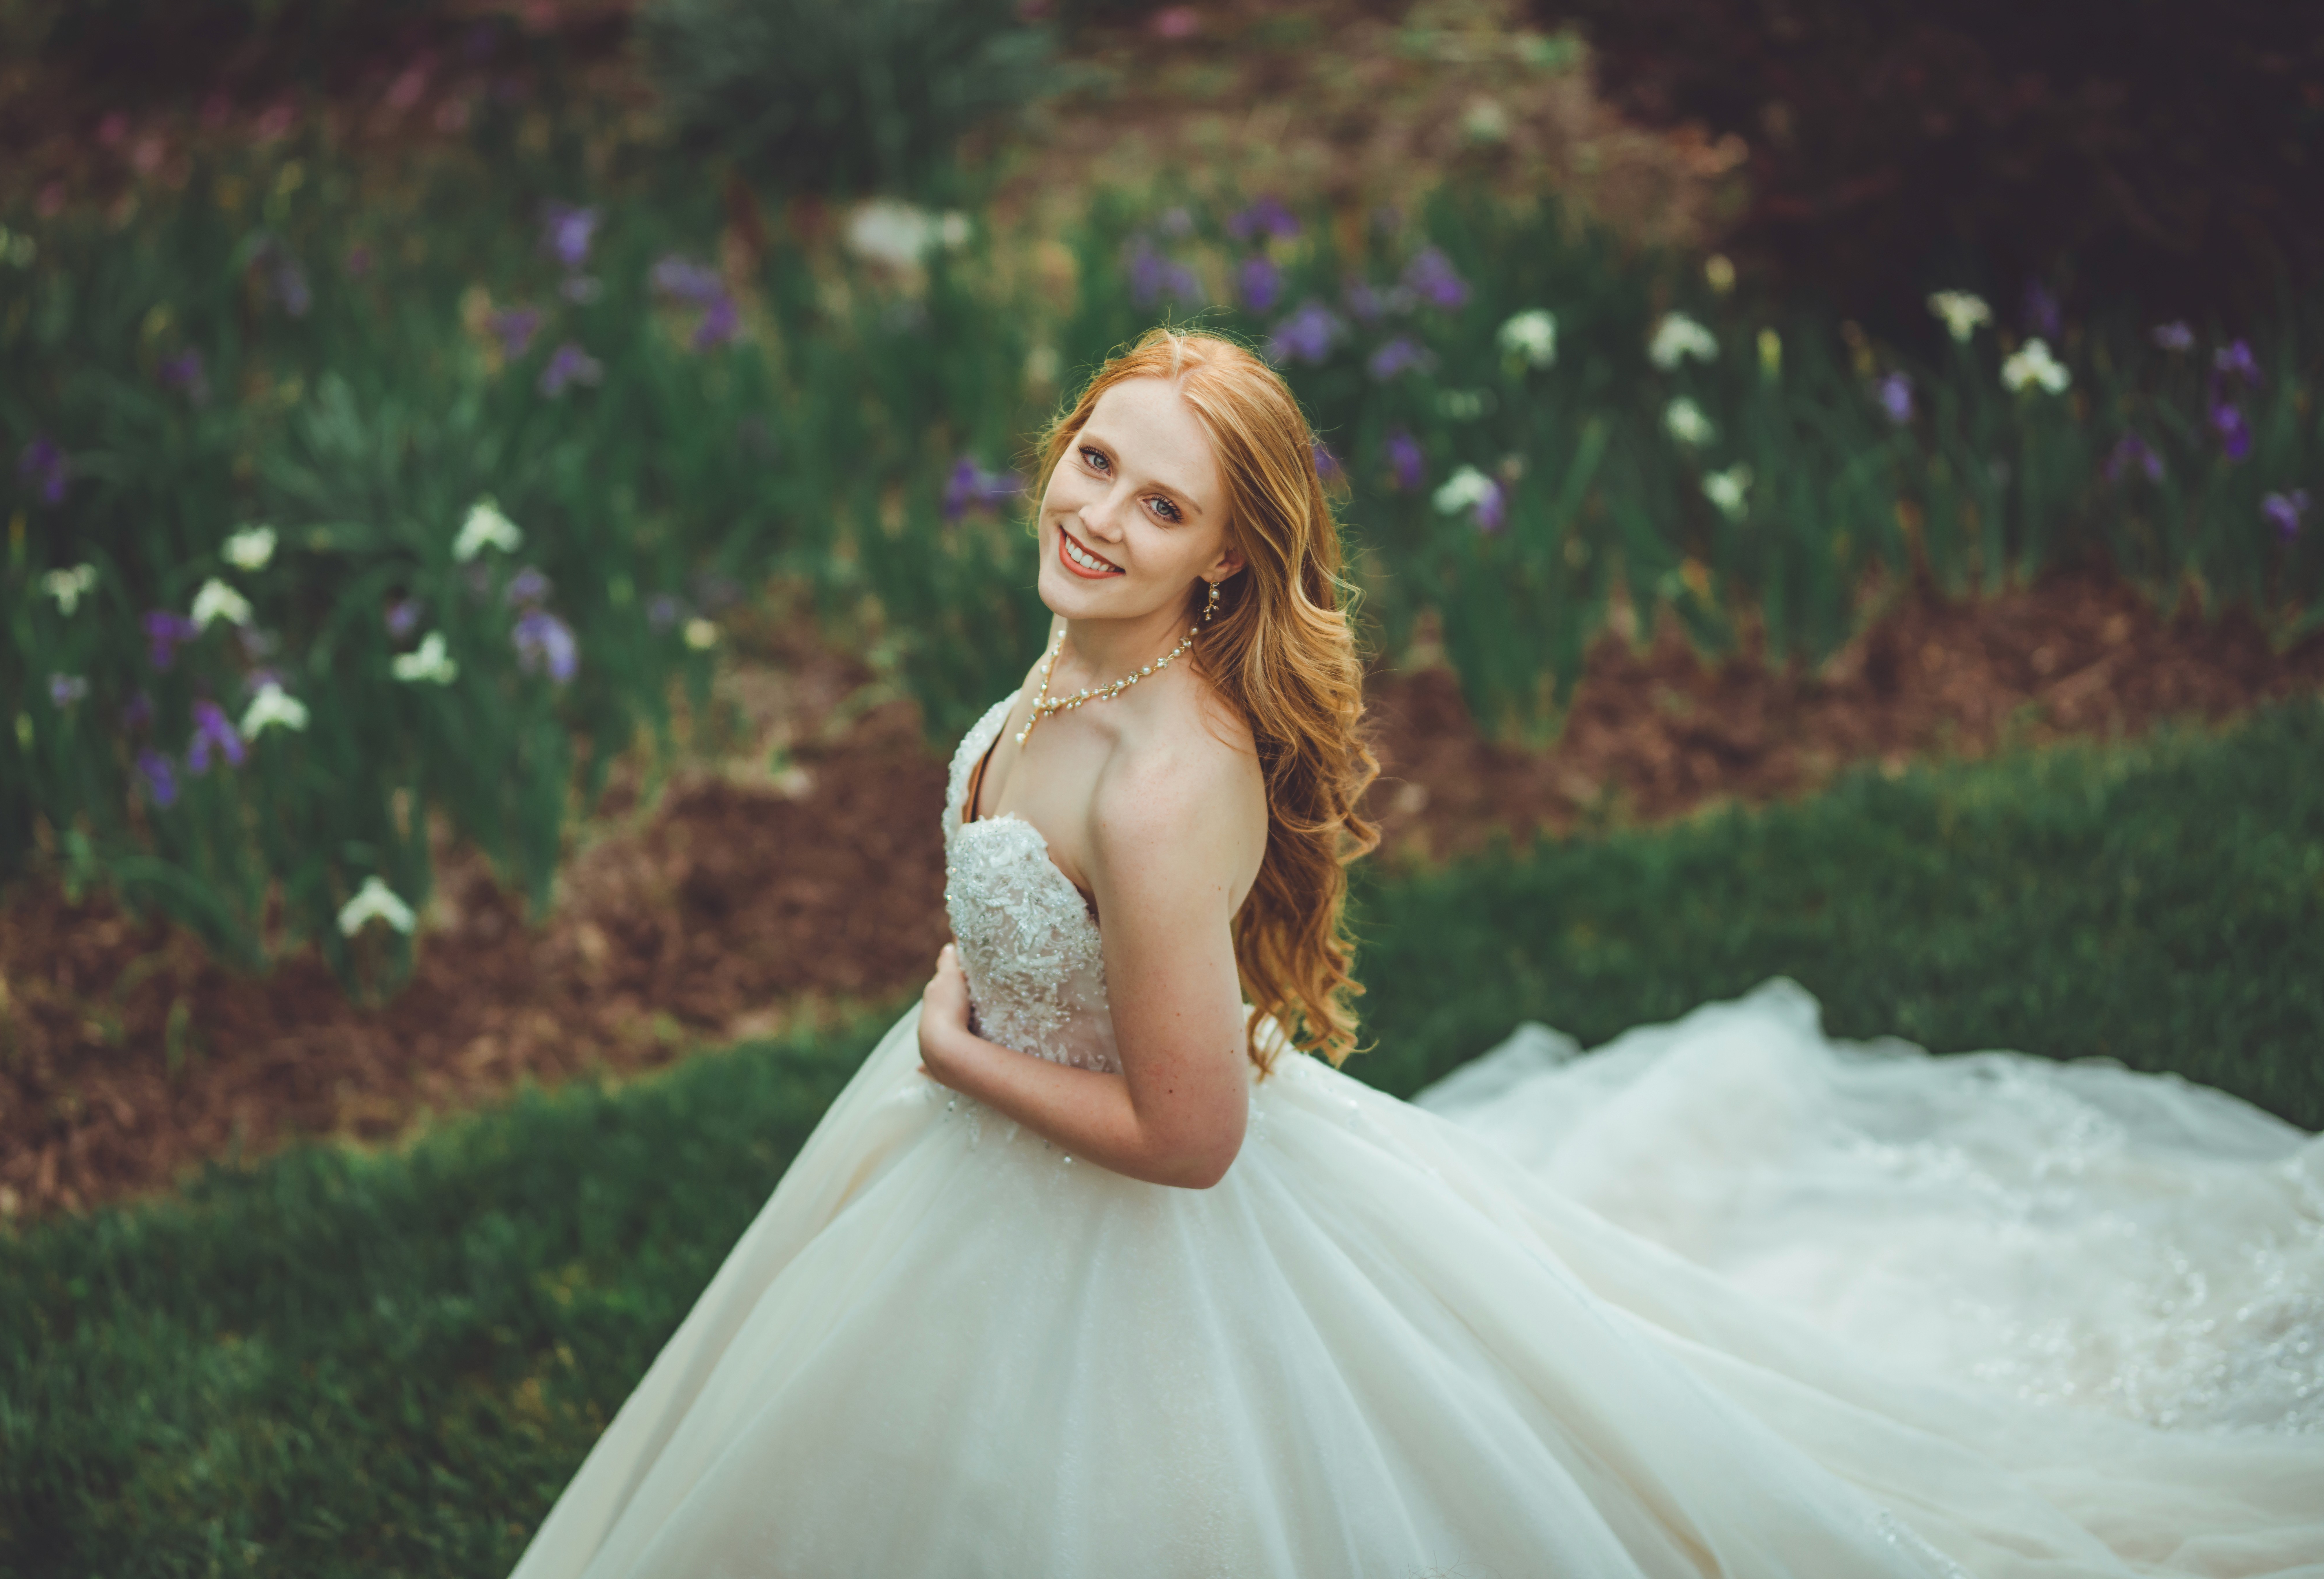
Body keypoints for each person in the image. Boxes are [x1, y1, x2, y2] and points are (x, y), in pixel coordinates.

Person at [505, 329, 2324, 1578]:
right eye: (1096, 462)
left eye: (1162, 510)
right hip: (980, 1162)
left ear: (1222, 566)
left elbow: (1193, 1139)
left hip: (1116, 1196)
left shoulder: (1165, 783)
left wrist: (953, 1052)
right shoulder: (1085, 650)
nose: (1099, 517)